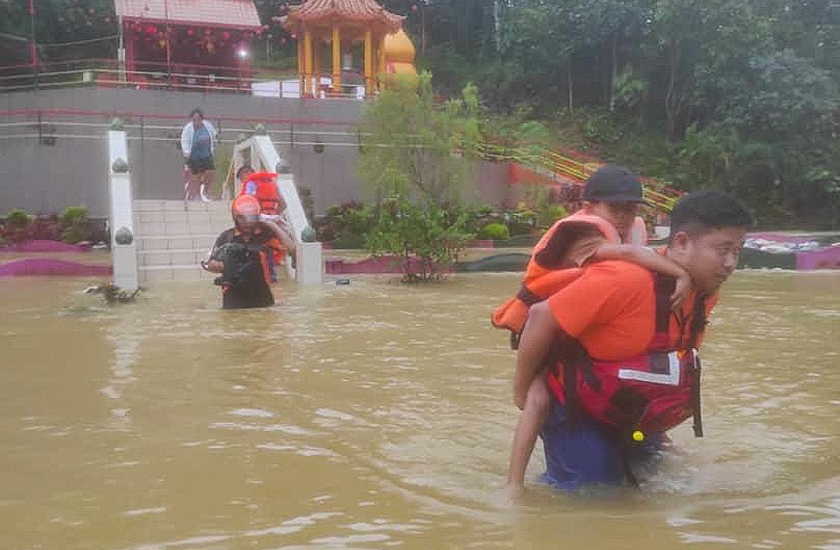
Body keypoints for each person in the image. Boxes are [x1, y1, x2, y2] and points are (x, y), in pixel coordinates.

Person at [512, 189, 753, 492]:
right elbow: (540, 317)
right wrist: (521, 392)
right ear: (681, 242)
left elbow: (662, 363)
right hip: (577, 407)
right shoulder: (625, 280)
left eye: (738, 251)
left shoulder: (704, 294)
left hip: (627, 409)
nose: (731, 263)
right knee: (593, 499)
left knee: (659, 484)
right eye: (723, 250)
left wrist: (661, 434)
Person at [496, 165, 693, 490]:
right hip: (548, 335)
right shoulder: (583, 235)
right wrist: (681, 273)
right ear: (588, 208)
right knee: (539, 399)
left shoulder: (623, 229)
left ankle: (662, 441)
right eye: (616, 209)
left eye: (631, 210)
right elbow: (630, 253)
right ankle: (513, 484)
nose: (624, 218)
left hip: (584, 328)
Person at [201, 195, 294, 310]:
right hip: (233, 299)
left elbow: (290, 247)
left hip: (262, 297)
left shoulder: (264, 235)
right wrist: (217, 266)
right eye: (241, 218)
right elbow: (210, 264)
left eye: (251, 218)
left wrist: (272, 225)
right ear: (235, 217)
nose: (246, 223)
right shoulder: (226, 237)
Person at [240, 171, 290, 282]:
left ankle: (255, 275)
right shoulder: (273, 184)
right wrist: (274, 213)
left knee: (254, 246)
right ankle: (271, 275)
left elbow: (246, 200)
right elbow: (283, 204)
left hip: (257, 220)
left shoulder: (251, 184)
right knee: (269, 246)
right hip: (272, 219)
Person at [180, 108, 217, 202]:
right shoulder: (188, 128)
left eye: (198, 119)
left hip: (206, 154)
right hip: (194, 155)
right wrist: (187, 153)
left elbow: (213, 134)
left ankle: (205, 191)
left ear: (202, 118)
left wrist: (215, 140)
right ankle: (196, 195)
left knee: (210, 172)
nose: (196, 121)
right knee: (196, 176)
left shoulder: (207, 125)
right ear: (192, 119)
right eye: (194, 119)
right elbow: (184, 141)